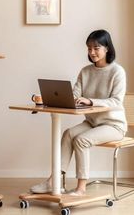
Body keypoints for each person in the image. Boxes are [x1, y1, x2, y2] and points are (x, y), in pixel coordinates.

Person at [30, 29, 127, 196]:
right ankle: (54, 182)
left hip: (113, 125)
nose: (92, 52)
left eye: (96, 48)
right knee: (68, 134)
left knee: (81, 140)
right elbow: (75, 95)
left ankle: (81, 188)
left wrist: (90, 101)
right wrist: (49, 99)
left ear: (107, 49)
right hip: (92, 123)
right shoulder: (86, 71)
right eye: (89, 48)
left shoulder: (117, 72)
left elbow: (116, 101)